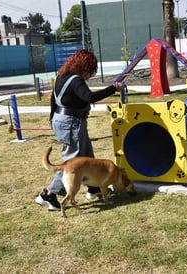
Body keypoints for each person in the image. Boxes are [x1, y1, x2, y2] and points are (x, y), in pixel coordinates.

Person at [35, 49, 125, 211]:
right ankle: (49, 194)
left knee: (87, 157)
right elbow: (89, 98)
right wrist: (113, 89)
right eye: (91, 70)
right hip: (71, 122)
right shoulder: (76, 80)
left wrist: (51, 119)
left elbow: (53, 100)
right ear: (84, 66)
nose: (90, 74)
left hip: (63, 120)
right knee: (73, 162)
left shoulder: (62, 77)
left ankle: (93, 188)